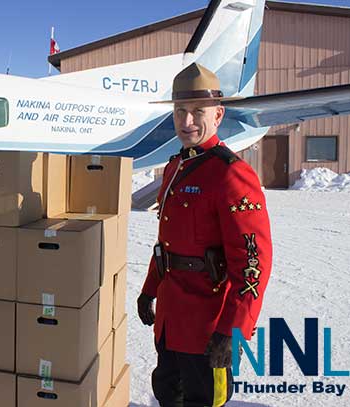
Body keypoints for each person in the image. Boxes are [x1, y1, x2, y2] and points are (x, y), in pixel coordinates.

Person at [137, 63, 272, 407]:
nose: (187, 122)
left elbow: (253, 264)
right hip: (171, 318)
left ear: (218, 114)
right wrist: (149, 290)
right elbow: (167, 244)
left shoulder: (231, 175)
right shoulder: (174, 167)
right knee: (167, 393)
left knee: (205, 400)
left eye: (198, 112)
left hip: (208, 326)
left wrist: (233, 330)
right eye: (180, 111)